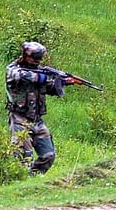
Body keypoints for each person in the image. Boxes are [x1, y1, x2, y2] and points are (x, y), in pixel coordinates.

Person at [5, 42, 74, 175]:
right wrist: (43, 77)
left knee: (48, 156)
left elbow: (50, 88)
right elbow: (23, 76)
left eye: (39, 59)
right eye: (34, 58)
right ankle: (22, 182)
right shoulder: (13, 69)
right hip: (20, 120)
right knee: (24, 158)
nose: (37, 61)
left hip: (37, 120)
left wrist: (62, 83)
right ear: (26, 56)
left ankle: (32, 178)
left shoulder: (40, 71)